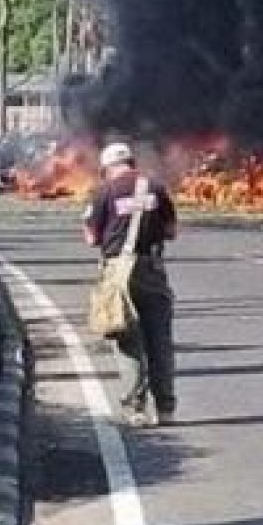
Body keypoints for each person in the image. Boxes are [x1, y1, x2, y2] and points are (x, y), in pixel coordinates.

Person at [82, 142, 178, 428]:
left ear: (107, 168)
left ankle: (136, 409)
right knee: (159, 340)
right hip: (152, 268)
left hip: (118, 272)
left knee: (127, 338)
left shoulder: (104, 192)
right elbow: (172, 231)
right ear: (132, 162)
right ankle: (166, 409)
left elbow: (90, 237)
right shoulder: (156, 188)